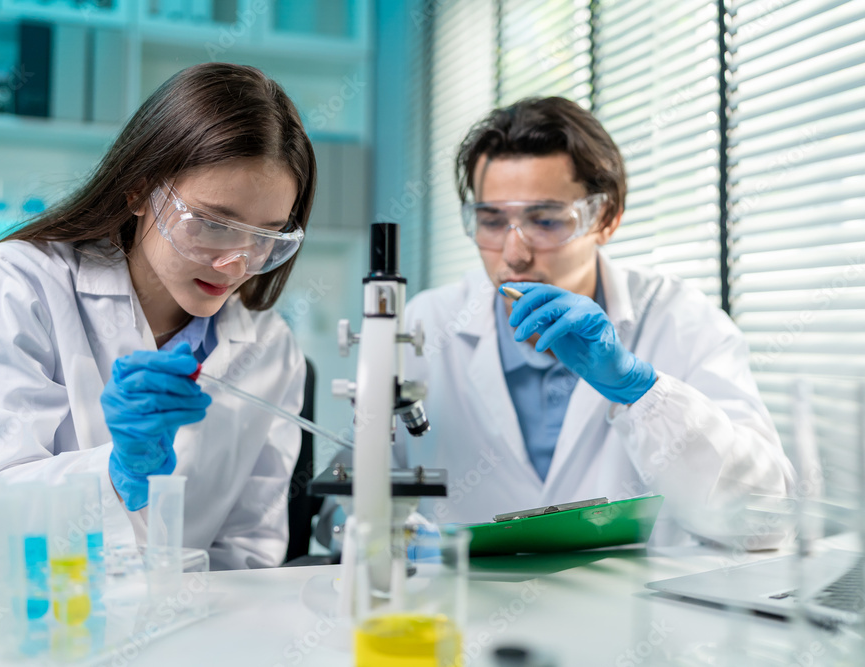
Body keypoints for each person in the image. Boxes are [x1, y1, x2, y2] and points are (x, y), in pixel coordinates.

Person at [321, 97, 795, 551]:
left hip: (633, 623)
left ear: (605, 217)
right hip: (465, 616)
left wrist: (640, 389)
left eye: (545, 221)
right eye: (490, 221)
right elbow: (340, 511)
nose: (514, 253)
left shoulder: (683, 322)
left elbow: (765, 521)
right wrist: (387, 539)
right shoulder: (427, 324)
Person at [0, 63, 315, 570]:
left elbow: (248, 551)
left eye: (265, 237)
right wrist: (115, 474)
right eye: (213, 223)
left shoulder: (271, 348)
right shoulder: (15, 284)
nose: (236, 263)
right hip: (14, 627)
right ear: (138, 189)